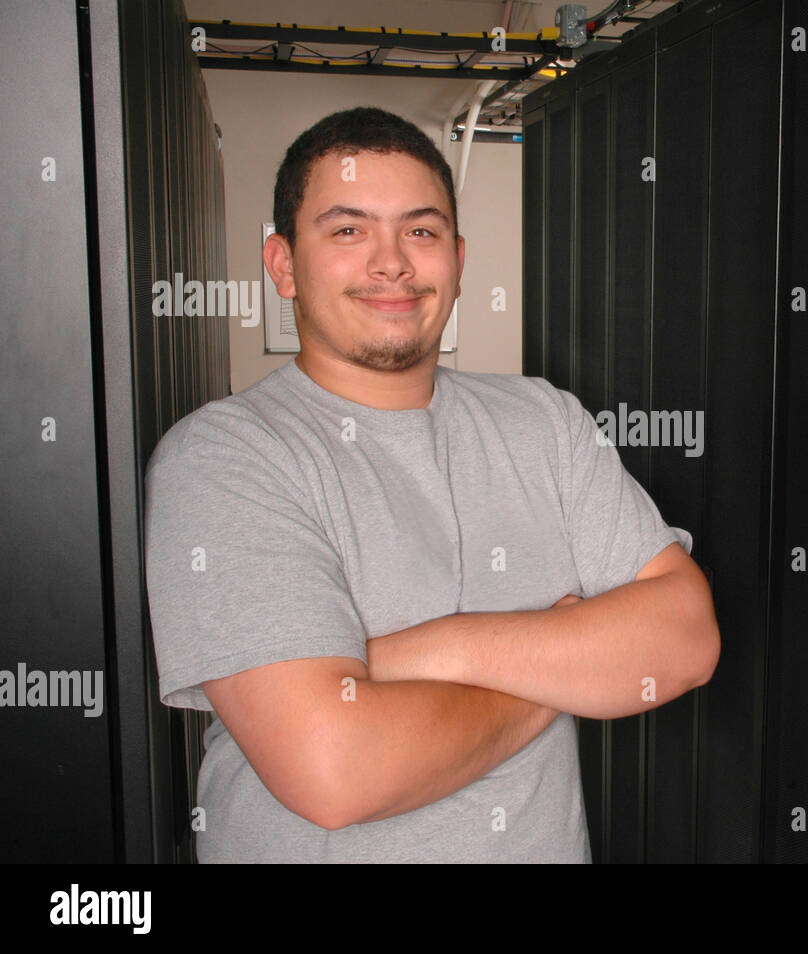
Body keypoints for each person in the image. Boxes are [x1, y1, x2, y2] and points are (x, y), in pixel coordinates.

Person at [143, 106, 719, 863]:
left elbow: (684, 641)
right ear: (282, 264)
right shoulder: (224, 457)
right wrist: (560, 667)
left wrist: (402, 654)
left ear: (457, 255)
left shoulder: (543, 420)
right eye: (348, 230)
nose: (392, 263)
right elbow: (335, 772)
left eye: (421, 231)